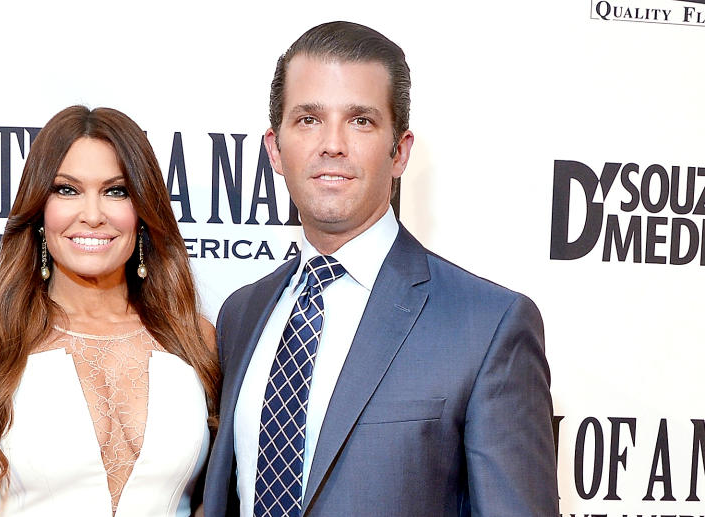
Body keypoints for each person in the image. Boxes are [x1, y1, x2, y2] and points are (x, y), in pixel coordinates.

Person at [202, 21, 558, 516]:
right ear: (274, 149)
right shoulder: (242, 314)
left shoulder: (488, 325)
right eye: (308, 119)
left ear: (400, 152)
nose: (332, 144)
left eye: (361, 121)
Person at [0, 106, 219, 516]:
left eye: (116, 191)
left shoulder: (195, 339)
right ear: (39, 211)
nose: (93, 215)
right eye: (67, 190)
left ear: (142, 212)